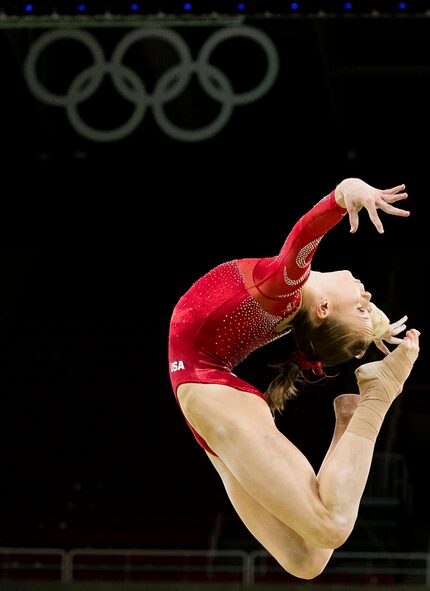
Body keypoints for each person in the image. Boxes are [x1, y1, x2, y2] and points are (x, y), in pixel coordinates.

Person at [167, 177, 421, 580]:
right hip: (204, 393)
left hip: (207, 388)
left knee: (320, 543)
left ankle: (374, 398)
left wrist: (343, 195)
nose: (368, 298)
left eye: (361, 308)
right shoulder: (293, 306)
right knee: (314, 551)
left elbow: (305, 232)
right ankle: (363, 409)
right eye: (367, 307)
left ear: (322, 309)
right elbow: (334, 328)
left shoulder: (284, 290)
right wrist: (369, 328)